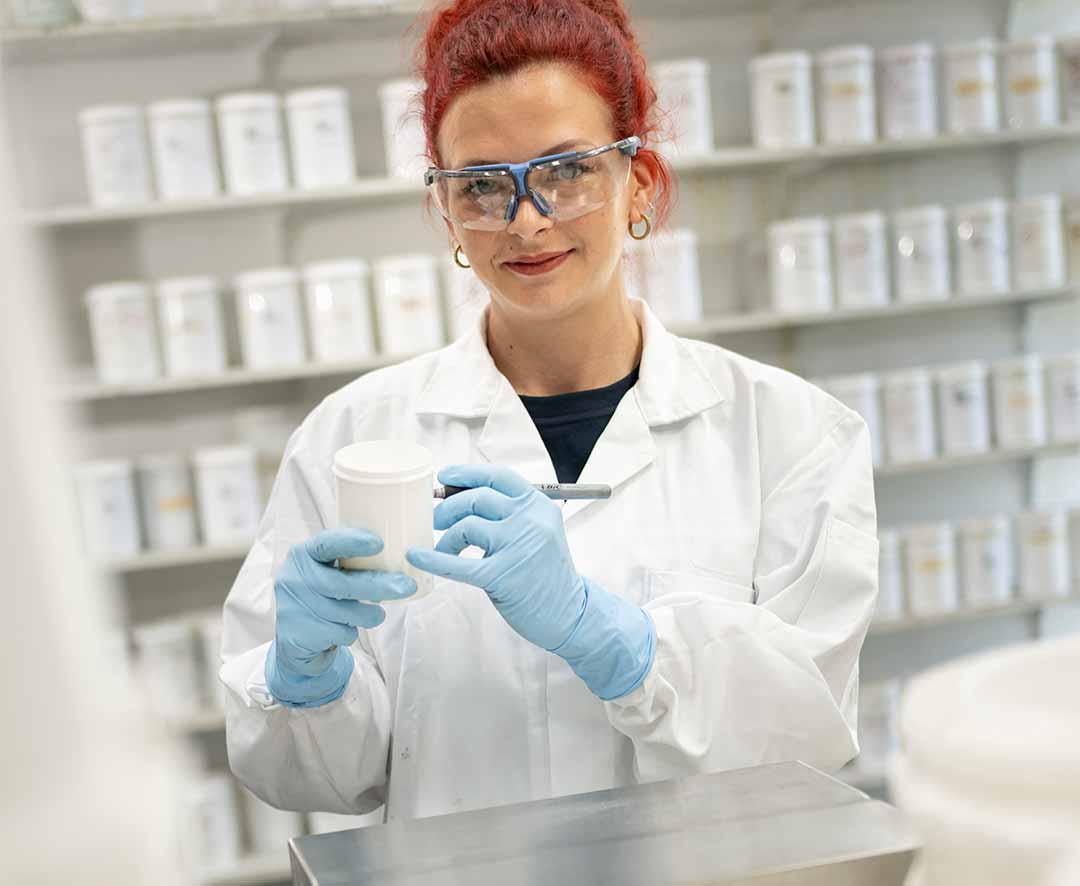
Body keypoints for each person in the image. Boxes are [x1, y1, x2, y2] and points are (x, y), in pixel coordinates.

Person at [222, 0, 878, 823]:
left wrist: (618, 643)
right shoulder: (351, 438)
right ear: (447, 210)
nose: (527, 219)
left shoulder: (791, 436)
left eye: (567, 170)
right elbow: (313, 780)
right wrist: (305, 679)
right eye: (484, 184)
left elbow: (807, 732)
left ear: (638, 180)